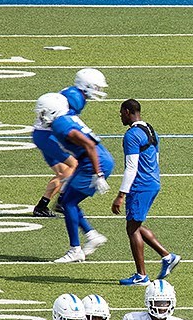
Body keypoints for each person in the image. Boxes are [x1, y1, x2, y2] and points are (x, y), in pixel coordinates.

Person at [33, 91, 113, 263]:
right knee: (66, 199)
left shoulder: (60, 125)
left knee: (67, 202)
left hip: (94, 162)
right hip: (91, 160)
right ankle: (91, 235)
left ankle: (76, 249)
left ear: (53, 111)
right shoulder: (63, 119)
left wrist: (97, 174)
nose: (41, 116)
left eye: (44, 112)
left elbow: (89, 145)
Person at [113, 99, 181, 286]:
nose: (120, 116)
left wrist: (121, 194)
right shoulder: (151, 131)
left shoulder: (132, 135)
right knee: (135, 224)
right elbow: (156, 159)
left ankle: (141, 276)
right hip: (153, 183)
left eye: (120, 112)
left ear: (128, 112)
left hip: (140, 186)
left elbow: (131, 168)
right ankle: (167, 257)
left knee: (132, 228)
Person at [31, 68, 108, 218]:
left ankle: (43, 206)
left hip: (43, 135)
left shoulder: (75, 94)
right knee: (74, 165)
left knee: (64, 171)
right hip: (47, 135)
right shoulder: (75, 98)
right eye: (96, 86)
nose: (98, 90)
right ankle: (62, 201)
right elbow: (63, 123)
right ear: (87, 85)